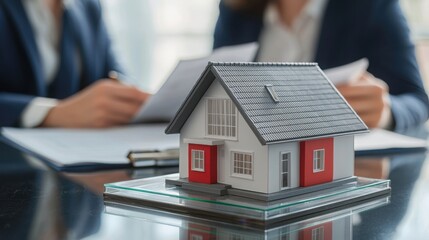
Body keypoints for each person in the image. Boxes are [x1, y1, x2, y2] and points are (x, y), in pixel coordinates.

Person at [213, 0, 429, 131]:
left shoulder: (372, 6)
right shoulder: (235, 10)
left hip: (344, 172)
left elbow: (417, 101)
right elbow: (217, 88)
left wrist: (386, 111)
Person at [0, 0, 150, 128]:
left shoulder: (89, 6)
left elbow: (115, 73)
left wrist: (134, 100)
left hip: (80, 151)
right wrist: (52, 114)